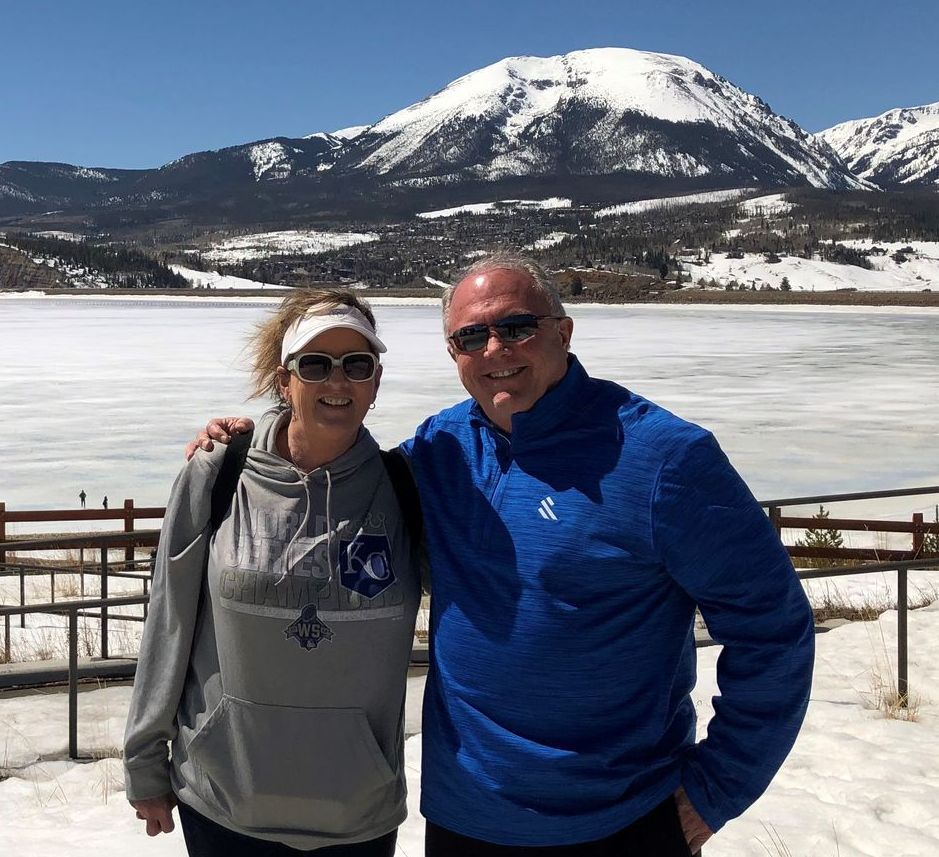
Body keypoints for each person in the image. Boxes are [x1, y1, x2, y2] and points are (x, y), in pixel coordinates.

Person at [192, 252, 815, 855]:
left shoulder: (663, 459)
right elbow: (337, 481)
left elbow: (772, 629)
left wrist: (713, 792)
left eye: (516, 328)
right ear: (453, 354)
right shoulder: (442, 450)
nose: (496, 351)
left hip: (620, 821)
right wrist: (250, 452)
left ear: (564, 332)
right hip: (467, 820)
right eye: (472, 337)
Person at [125, 289, 421, 856]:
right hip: (223, 803)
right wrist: (144, 761)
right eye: (315, 365)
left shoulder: (407, 488)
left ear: (376, 382)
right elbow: (168, 624)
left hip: (356, 814)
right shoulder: (219, 474)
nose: (337, 382)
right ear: (284, 381)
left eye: (356, 365)